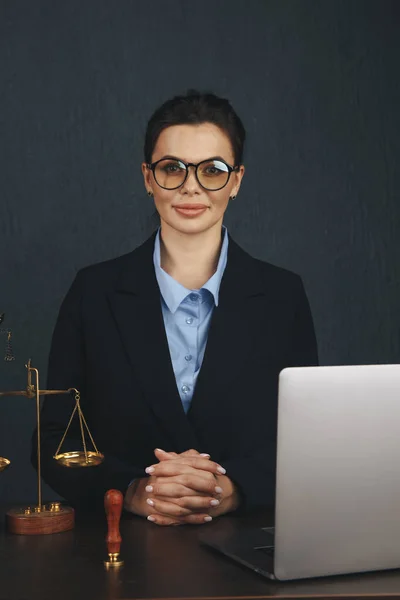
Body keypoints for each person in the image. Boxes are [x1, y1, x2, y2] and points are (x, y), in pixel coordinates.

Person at [32, 90, 318, 526]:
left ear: (237, 181)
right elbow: (51, 439)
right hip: (118, 551)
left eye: (212, 170)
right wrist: (131, 491)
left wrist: (235, 488)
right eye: (172, 168)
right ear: (148, 177)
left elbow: (309, 440)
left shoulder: (284, 295)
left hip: (250, 551)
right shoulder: (93, 292)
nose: (191, 186)